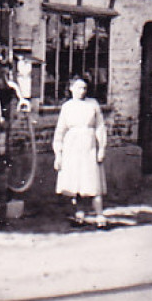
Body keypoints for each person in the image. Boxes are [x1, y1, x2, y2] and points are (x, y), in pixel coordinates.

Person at [53, 76, 108, 225]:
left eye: (84, 88)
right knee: (76, 182)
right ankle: (79, 214)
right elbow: (60, 131)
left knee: (93, 182)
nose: (82, 91)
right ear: (71, 88)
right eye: (78, 88)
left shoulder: (93, 104)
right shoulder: (67, 107)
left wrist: (101, 148)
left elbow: (100, 127)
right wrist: (58, 154)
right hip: (72, 146)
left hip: (89, 146)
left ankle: (100, 216)